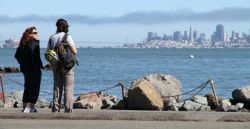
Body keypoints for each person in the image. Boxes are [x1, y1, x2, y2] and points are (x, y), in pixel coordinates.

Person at [47, 18, 77, 113]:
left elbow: (48, 53)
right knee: (68, 86)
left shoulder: (52, 38)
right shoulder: (67, 36)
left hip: (56, 65)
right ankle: (68, 109)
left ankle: (55, 109)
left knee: (57, 86)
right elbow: (74, 51)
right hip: (67, 65)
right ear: (65, 27)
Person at [15, 26, 43, 113]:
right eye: (35, 33)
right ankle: (31, 107)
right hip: (34, 69)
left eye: (36, 32)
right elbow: (35, 56)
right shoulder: (34, 43)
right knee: (35, 88)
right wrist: (39, 66)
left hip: (25, 69)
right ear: (30, 34)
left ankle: (25, 107)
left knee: (27, 87)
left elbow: (17, 56)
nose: (37, 34)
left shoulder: (23, 43)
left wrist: (23, 64)